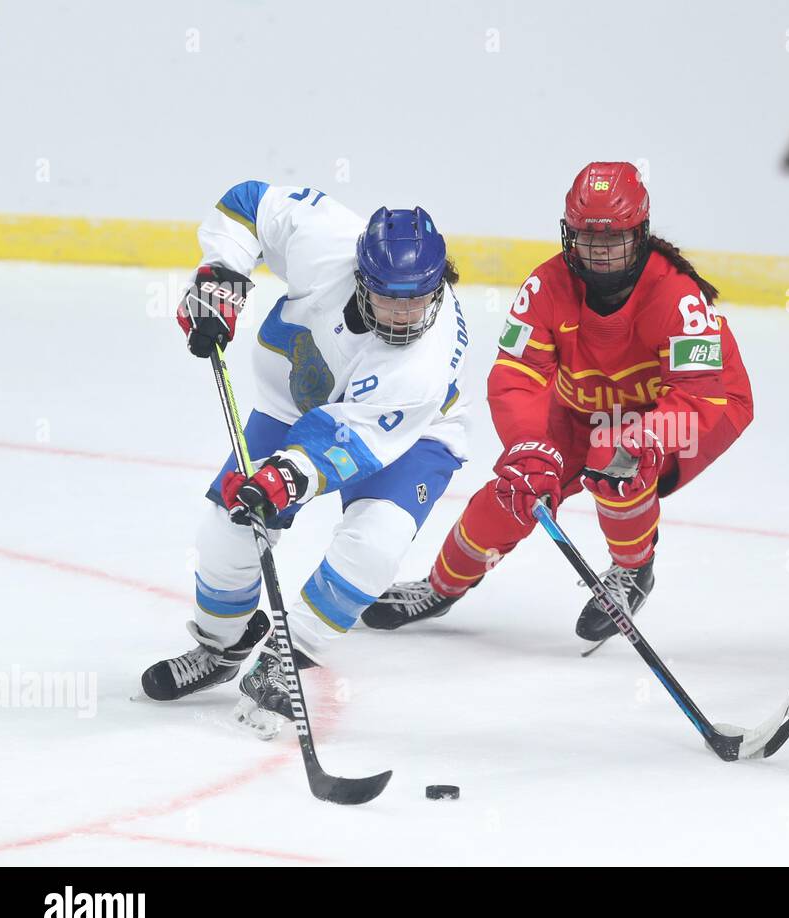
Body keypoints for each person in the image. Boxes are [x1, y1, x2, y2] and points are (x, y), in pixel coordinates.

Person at [362, 162, 753, 642]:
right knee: (516, 489)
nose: (600, 253)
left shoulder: (677, 296)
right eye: (588, 239)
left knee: (619, 459)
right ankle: (440, 587)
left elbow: (700, 395)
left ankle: (633, 569)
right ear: (568, 235)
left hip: (696, 406)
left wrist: (643, 437)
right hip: (582, 411)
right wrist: (530, 447)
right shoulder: (546, 286)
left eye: (613, 240)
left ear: (641, 234)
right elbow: (517, 375)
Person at [141, 182, 471, 737]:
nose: (405, 313)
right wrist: (221, 276)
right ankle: (223, 647)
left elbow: (349, 443)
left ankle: (285, 657)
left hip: (409, 434)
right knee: (227, 532)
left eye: (418, 298)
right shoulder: (327, 239)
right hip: (294, 408)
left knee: (375, 545)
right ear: (362, 277)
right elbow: (247, 203)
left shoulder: (423, 365)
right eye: (391, 297)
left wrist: (287, 477)